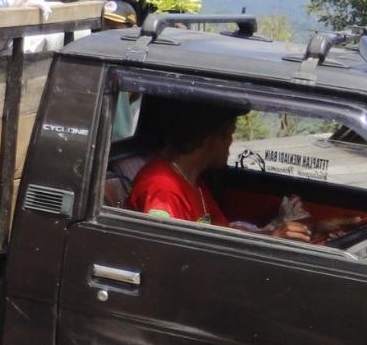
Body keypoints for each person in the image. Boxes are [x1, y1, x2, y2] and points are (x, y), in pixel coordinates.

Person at [127, 101, 312, 241]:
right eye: (231, 134)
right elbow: (170, 256)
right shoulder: (162, 190)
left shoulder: (192, 180)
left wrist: (275, 236)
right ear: (212, 139)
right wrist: (271, 241)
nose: (232, 143)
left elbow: (222, 236)